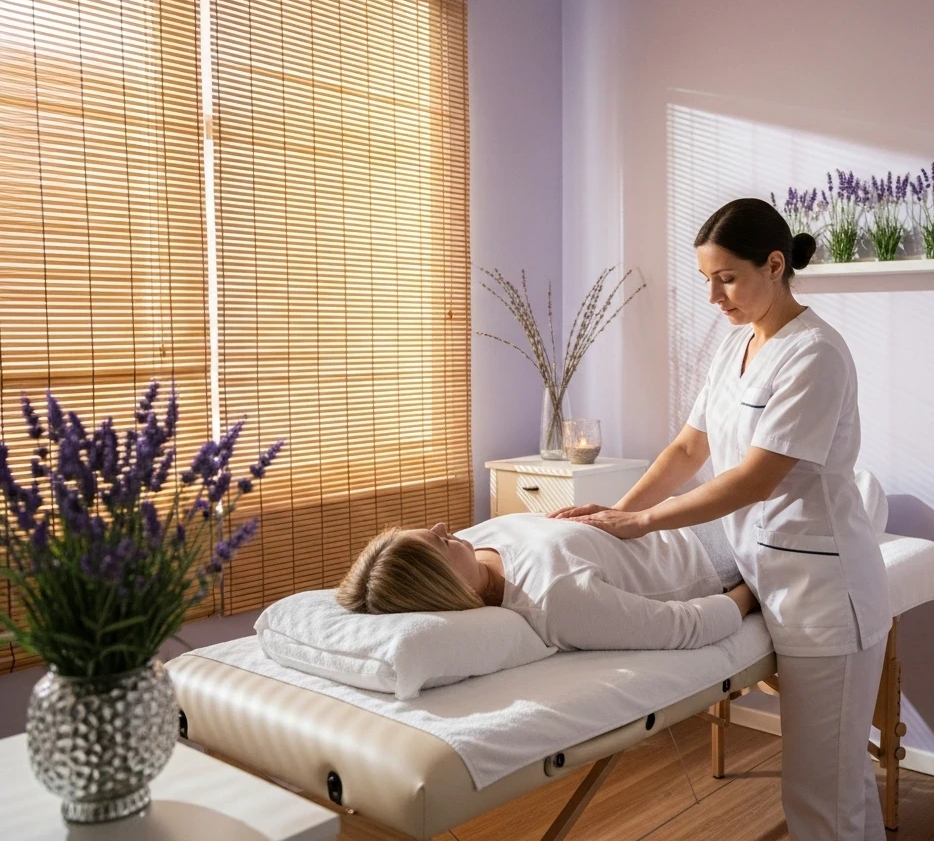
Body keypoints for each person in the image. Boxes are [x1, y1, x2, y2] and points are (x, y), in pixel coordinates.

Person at [550, 197, 891, 841]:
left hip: (826, 594)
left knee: (824, 791)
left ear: (773, 264)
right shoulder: (737, 346)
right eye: (706, 278)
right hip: (770, 578)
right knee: (834, 786)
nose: (713, 296)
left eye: (726, 278)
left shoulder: (815, 353)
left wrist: (648, 523)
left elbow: (755, 479)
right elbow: (689, 448)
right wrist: (619, 512)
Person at [335, 512, 755, 652]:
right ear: (448, 586)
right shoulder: (553, 599)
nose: (445, 525)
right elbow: (683, 627)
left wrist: (619, 512)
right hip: (712, 552)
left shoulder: (476, 544)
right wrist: (752, 593)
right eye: (439, 541)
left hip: (673, 515)